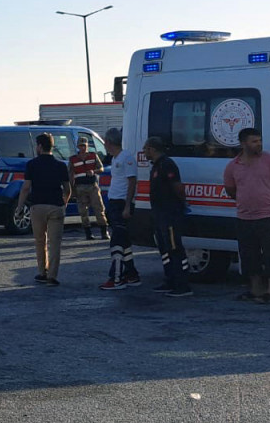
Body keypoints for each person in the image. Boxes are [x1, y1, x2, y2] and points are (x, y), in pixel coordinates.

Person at [223, 127, 270, 304]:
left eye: (259, 140)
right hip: (245, 218)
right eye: (254, 141)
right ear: (243, 143)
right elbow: (230, 189)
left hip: (269, 216)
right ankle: (255, 290)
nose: (258, 144)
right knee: (248, 255)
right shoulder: (233, 166)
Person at [15, 133, 71, 286]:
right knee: (55, 243)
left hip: (37, 206)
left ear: (39, 146)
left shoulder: (32, 164)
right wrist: (64, 203)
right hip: (56, 206)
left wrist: (20, 207)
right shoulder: (60, 165)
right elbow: (67, 189)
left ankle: (42, 272)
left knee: (40, 241)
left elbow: (26, 188)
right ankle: (52, 276)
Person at [143, 136, 193, 298]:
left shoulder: (167, 164)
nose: (144, 152)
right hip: (159, 214)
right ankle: (169, 279)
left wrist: (182, 204)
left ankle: (182, 284)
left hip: (170, 214)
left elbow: (178, 187)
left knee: (174, 248)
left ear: (152, 149)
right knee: (164, 249)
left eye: (146, 149)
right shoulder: (156, 166)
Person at [99, 128, 142, 290]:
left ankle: (116, 278)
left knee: (116, 242)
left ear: (109, 142)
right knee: (124, 242)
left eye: (105, 142)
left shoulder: (126, 158)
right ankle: (131, 274)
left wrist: (127, 206)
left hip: (121, 204)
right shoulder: (117, 158)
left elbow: (132, 182)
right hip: (114, 203)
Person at [69, 137, 109, 240]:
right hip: (80, 187)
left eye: (84, 145)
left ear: (87, 146)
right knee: (83, 211)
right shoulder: (73, 159)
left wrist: (94, 171)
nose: (83, 148)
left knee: (99, 208)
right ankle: (88, 233)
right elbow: (70, 175)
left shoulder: (93, 156)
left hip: (92, 186)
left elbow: (101, 168)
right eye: (81, 146)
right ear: (78, 146)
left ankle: (104, 232)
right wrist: (72, 190)